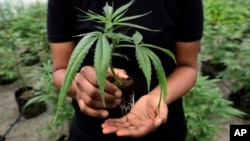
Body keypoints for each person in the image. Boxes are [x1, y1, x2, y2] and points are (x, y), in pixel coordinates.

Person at [47, 0, 203, 140]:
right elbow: (61, 70)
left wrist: (157, 96)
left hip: (161, 125)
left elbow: (187, 67)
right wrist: (79, 88)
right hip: (92, 130)